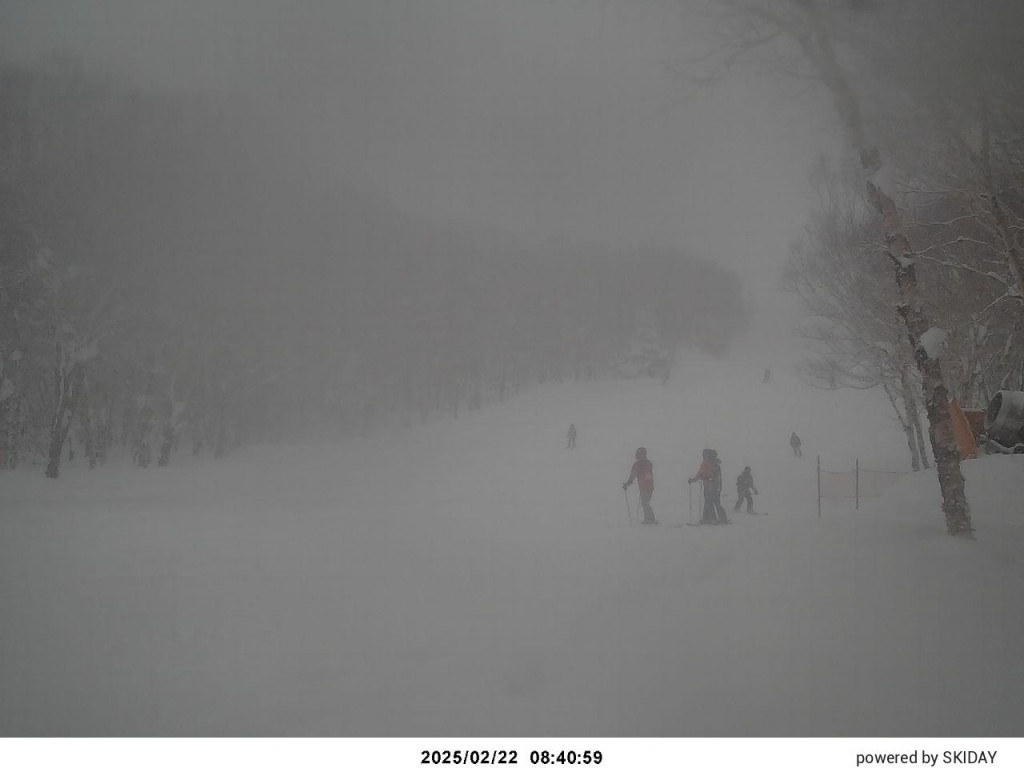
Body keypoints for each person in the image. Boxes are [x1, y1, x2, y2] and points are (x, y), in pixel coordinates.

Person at [688, 448, 729, 524]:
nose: (703, 456)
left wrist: (705, 478)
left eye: (705, 454)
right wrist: (693, 480)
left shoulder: (713, 464)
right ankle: (711, 518)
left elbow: (713, 476)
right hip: (710, 486)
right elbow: (701, 474)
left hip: (712, 486)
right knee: (711, 502)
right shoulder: (708, 463)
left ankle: (711, 518)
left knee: (710, 502)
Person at [623, 447, 656, 524]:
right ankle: (648, 519)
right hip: (647, 486)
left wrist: (628, 484)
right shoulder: (647, 463)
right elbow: (633, 475)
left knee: (645, 503)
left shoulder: (640, 464)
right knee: (645, 503)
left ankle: (649, 519)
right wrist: (628, 483)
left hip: (646, 487)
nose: (640, 456)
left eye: (641, 454)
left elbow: (634, 475)